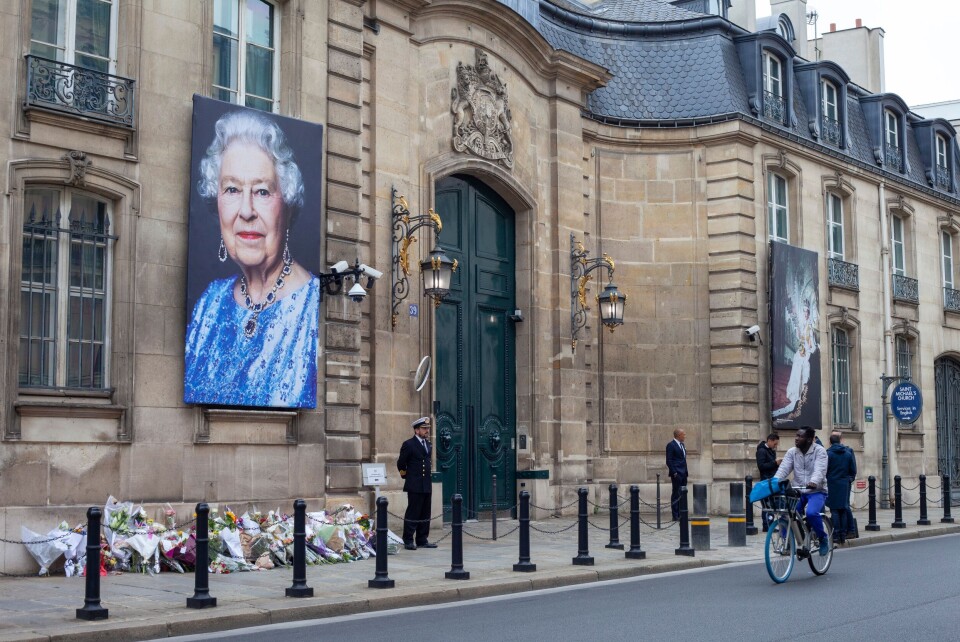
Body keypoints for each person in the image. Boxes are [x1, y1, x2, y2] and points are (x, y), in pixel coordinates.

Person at [184, 109, 320, 408]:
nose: (246, 211)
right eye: (232, 189)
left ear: (287, 203)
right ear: (217, 200)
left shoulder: (313, 306)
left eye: (261, 191)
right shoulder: (209, 303)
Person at [772, 426, 830, 556]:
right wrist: (774, 482)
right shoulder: (792, 452)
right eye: (796, 435)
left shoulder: (819, 451)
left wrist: (814, 481)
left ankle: (822, 538)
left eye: (800, 436)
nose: (796, 438)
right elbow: (784, 469)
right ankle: (793, 541)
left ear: (809, 439)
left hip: (816, 490)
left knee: (811, 513)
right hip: (798, 490)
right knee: (787, 514)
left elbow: (820, 469)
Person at [397, 416, 437, 550]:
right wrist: (407, 477)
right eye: (424, 428)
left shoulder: (429, 444)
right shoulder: (409, 444)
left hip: (426, 484)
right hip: (414, 485)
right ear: (416, 430)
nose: (427, 431)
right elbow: (401, 463)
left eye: (427, 429)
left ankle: (422, 539)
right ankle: (408, 539)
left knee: (425, 513)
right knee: (413, 513)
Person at [773, 299, 818, 418]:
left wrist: (807, 348)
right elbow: (800, 338)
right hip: (801, 351)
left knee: (803, 368)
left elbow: (811, 343)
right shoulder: (803, 325)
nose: (805, 314)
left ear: (809, 313)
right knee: (796, 362)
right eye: (804, 311)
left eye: (807, 312)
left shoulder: (810, 327)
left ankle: (800, 395)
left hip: (807, 352)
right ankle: (795, 393)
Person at [826, 431, 857, 544]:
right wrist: (848, 480)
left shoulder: (828, 454)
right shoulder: (848, 453)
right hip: (844, 484)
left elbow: (825, 470)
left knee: (834, 510)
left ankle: (835, 535)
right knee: (843, 510)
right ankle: (843, 535)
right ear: (840, 441)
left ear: (830, 442)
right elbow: (852, 471)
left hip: (832, 483)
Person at [756, 433, 781, 529]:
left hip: (772, 480)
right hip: (766, 481)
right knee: (767, 504)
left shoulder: (771, 451)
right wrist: (775, 463)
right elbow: (761, 466)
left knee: (771, 503)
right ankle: (767, 525)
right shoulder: (761, 451)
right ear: (769, 441)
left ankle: (769, 524)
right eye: (775, 444)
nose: (776, 446)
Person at [666, 428, 688, 521]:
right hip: (677, 474)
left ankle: (682, 514)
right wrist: (674, 472)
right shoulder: (671, 445)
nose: (685, 436)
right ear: (678, 435)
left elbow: (683, 459)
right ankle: (675, 515)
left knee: (683, 494)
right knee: (676, 494)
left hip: (684, 473)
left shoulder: (682, 445)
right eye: (683, 434)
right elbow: (669, 460)